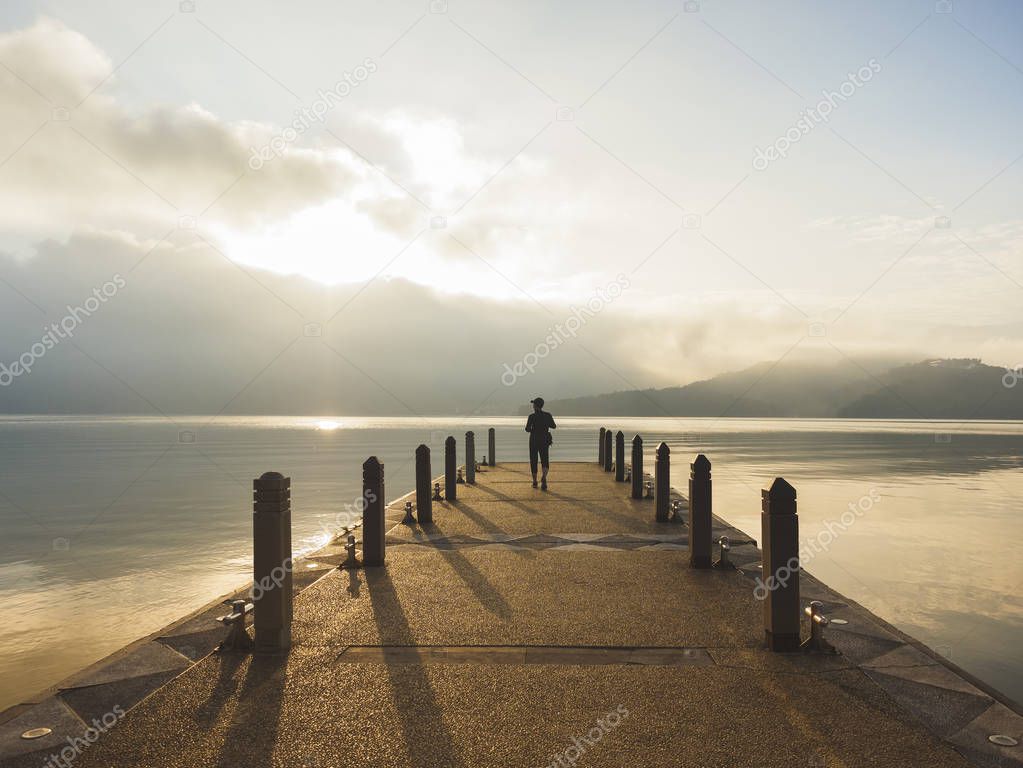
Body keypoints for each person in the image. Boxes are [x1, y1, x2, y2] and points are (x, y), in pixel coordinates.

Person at [525, 397, 556, 490]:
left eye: (533, 404)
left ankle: (534, 482)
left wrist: (532, 429)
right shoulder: (548, 415)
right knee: (545, 460)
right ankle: (544, 478)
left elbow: (527, 429)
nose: (533, 406)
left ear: (535, 406)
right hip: (544, 440)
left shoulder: (531, 416)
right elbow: (553, 426)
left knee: (533, 460)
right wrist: (546, 424)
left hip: (534, 440)